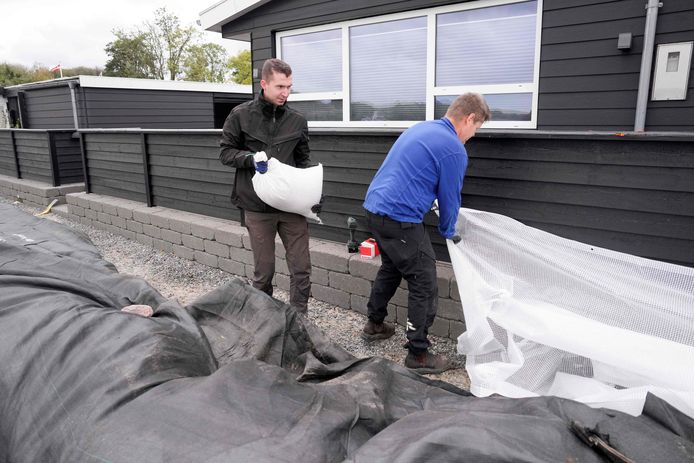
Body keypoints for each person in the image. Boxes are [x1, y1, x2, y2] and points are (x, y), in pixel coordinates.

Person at [361, 93, 491, 374]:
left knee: (391, 268)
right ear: (469, 118)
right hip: (399, 218)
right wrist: (448, 231)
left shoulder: (422, 128)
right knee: (424, 281)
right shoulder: (454, 148)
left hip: (374, 209)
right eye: (476, 128)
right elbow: (449, 197)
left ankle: (374, 325)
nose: (473, 135)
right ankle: (418, 354)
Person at [219, 58, 320, 313]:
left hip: (291, 206)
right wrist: (250, 159)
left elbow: (302, 160)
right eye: (279, 87)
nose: (285, 93)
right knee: (264, 272)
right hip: (256, 205)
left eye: (289, 86)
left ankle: (300, 320)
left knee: (301, 268)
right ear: (264, 84)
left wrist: (312, 193)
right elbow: (226, 153)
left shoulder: (297, 120)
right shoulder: (240, 115)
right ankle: (264, 319)